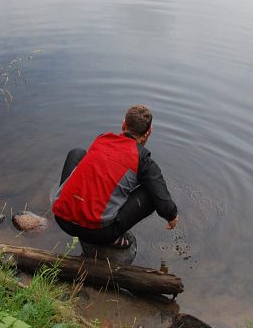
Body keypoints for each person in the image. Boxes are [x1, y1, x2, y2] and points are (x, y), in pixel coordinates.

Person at [51, 104, 178, 248]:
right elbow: (161, 195)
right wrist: (172, 216)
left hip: (62, 220)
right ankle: (112, 239)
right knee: (151, 193)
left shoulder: (102, 138)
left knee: (77, 153)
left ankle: (67, 202)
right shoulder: (143, 159)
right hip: (98, 233)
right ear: (149, 132)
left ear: (123, 124)